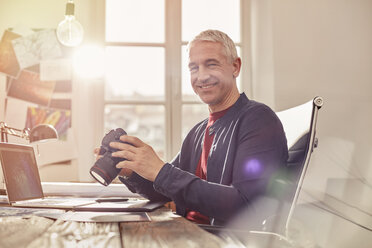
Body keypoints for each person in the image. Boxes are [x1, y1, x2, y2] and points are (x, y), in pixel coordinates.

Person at [100, 30, 288, 226]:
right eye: (193, 68)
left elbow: (245, 206)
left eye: (211, 64)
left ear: (235, 67)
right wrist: (131, 171)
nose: (202, 76)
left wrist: (161, 170)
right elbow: (164, 190)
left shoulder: (258, 119)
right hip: (189, 234)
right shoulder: (198, 132)